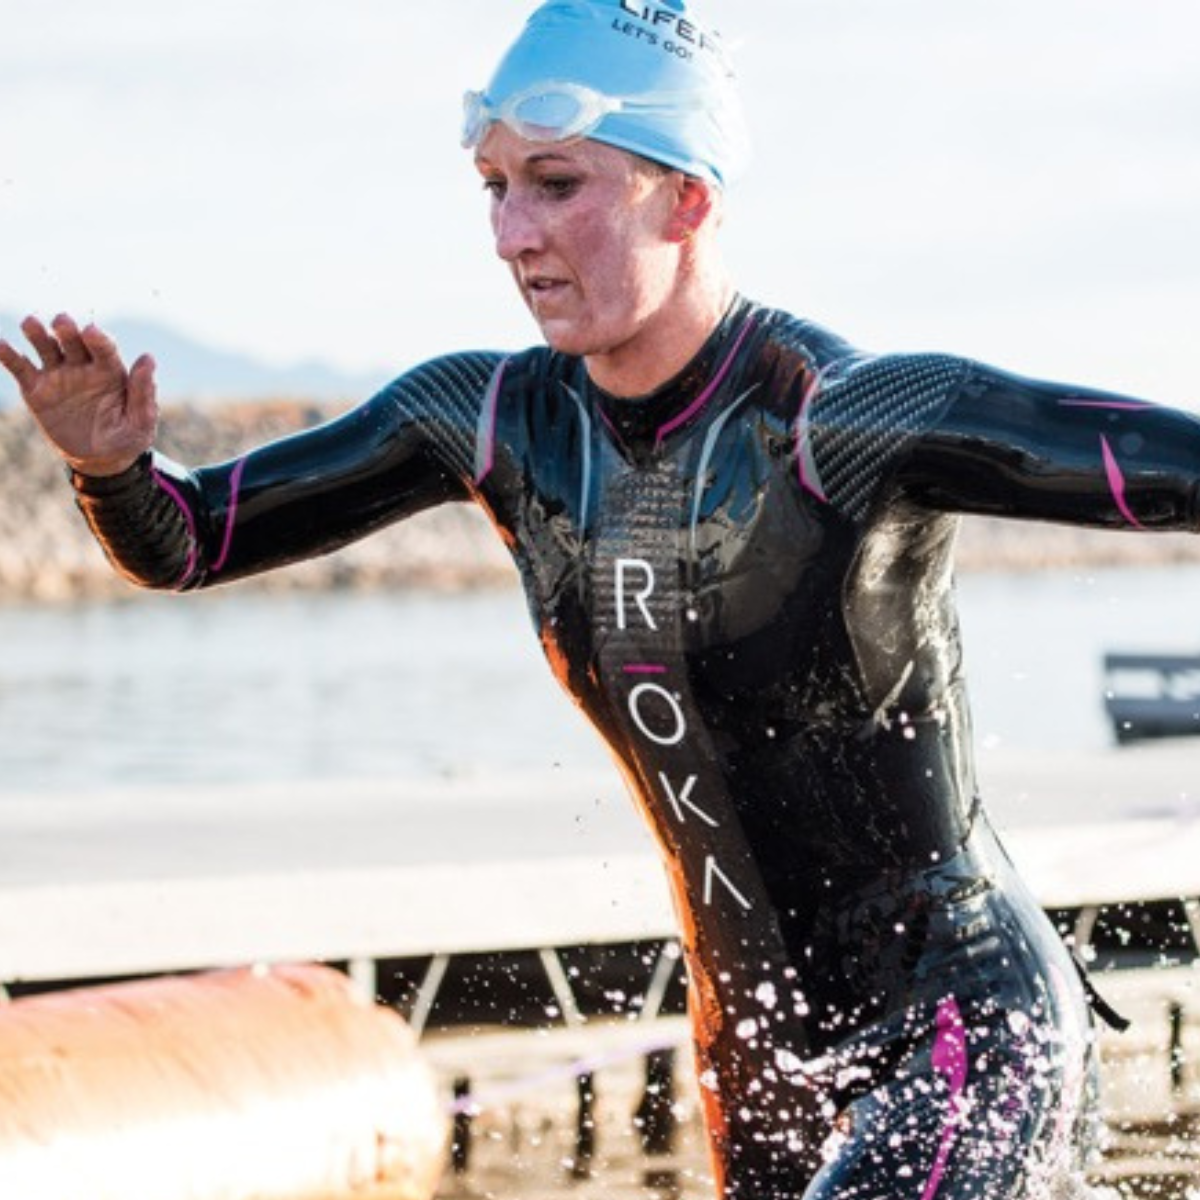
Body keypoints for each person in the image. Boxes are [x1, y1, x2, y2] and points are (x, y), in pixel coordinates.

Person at [0, 0, 1187, 1195]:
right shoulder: (491, 424)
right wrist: (108, 467)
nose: (514, 234)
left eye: (557, 184)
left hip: (959, 1031)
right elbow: (187, 543)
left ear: (689, 196)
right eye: (495, 187)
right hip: (754, 1050)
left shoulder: (842, 426)